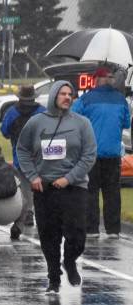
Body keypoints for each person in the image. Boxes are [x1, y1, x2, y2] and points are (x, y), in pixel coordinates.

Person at [17, 80, 97, 293]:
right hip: (45, 188)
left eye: (70, 94)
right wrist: (32, 176)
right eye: (62, 93)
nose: (67, 97)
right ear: (53, 96)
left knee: (77, 234)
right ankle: (53, 276)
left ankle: (69, 261)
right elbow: (22, 149)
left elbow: (89, 155)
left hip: (74, 187)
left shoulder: (82, 123)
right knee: (48, 236)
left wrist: (69, 178)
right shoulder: (36, 122)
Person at [73, 66, 130, 239]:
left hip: (91, 154)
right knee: (112, 192)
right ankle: (113, 230)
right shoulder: (121, 100)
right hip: (113, 154)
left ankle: (91, 229)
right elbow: (126, 123)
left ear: (96, 80)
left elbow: (73, 119)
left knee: (91, 192)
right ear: (112, 80)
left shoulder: (86, 99)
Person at [0, 84, 44, 228]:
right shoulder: (42, 111)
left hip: (20, 156)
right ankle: (42, 212)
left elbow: (5, 132)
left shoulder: (12, 112)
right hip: (41, 156)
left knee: (24, 186)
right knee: (41, 185)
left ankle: (27, 212)